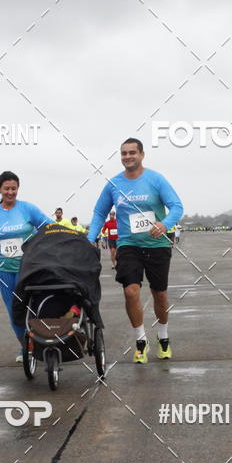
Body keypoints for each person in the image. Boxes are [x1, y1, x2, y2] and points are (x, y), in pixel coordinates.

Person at [88, 138, 183, 363]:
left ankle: (163, 337)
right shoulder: (114, 184)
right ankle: (141, 341)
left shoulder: (155, 179)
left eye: (132, 152)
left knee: (160, 294)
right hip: (128, 245)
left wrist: (164, 225)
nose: (127, 157)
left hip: (157, 245)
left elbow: (176, 206)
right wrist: (90, 238)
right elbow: (99, 212)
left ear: (141, 154)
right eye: (124, 153)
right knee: (130, 291)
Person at [0, 172, 51, 362]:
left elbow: (48, 225)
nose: (10, 192)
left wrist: (67, 238)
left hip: (30, 268)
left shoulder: (27, 209)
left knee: (35, 308)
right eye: (6, 188)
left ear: (18, 189)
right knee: (14, 311)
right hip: (5, 270)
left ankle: (42, 341)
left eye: (13, 188)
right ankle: (26, 347)